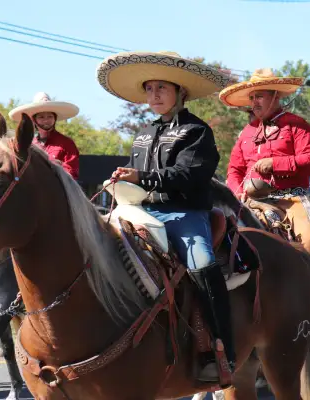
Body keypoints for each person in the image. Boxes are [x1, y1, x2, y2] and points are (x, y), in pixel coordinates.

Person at [97, 51, 233, 381]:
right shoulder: (143, 133)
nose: (154, 94)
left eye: (162, 87)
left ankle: (222, 348)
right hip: (141, 210)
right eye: (149, 88)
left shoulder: (197, 132)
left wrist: (141, 178)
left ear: (180, 92)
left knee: (202, 263)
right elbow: (137, 175)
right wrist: (125, 179)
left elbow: (189, 175)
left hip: (184, 213)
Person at [221, 68, 310, 320]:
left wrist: (275, 164)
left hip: (291, 198)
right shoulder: (245, 133)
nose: (254, 102)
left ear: (275, 96)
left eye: (260, 96)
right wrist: (237, 191)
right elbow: (234, 170)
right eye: (252, 97)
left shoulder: (297, 125)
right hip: (250, 201)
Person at [9, 92, 80, 180]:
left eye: (50, 116)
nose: (46, 120)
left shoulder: (67, 143)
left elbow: (72, 173)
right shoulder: (30, 144)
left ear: (55, 118)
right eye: (41, 117)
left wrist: (57, 167)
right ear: (34, 120)